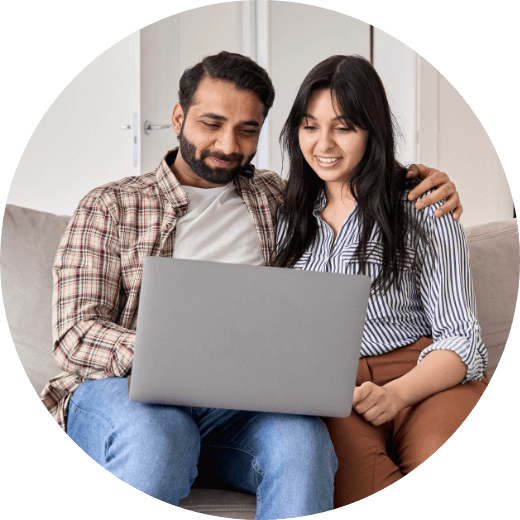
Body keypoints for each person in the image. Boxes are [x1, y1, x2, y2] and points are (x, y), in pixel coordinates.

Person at [40, 51, 462, 516]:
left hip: (238, 408)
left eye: (247, 130)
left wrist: (422, 179)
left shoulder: (277, 199)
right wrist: (168, 352)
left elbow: (349, 186)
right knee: (161, 439)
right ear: (179, 117)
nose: (227, 144)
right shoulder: (111, 205)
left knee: (303, 443)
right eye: (211, 123)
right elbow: (74, 331)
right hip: (126, 391)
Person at [273, 54, 488, 507]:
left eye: (344, 127)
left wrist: (396, 394)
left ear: (372, 130)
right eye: (310, 126)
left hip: (426, 376)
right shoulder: (282, 214)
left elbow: (462, 337)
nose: (323, 143)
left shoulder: (423, 204)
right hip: (335, 387)